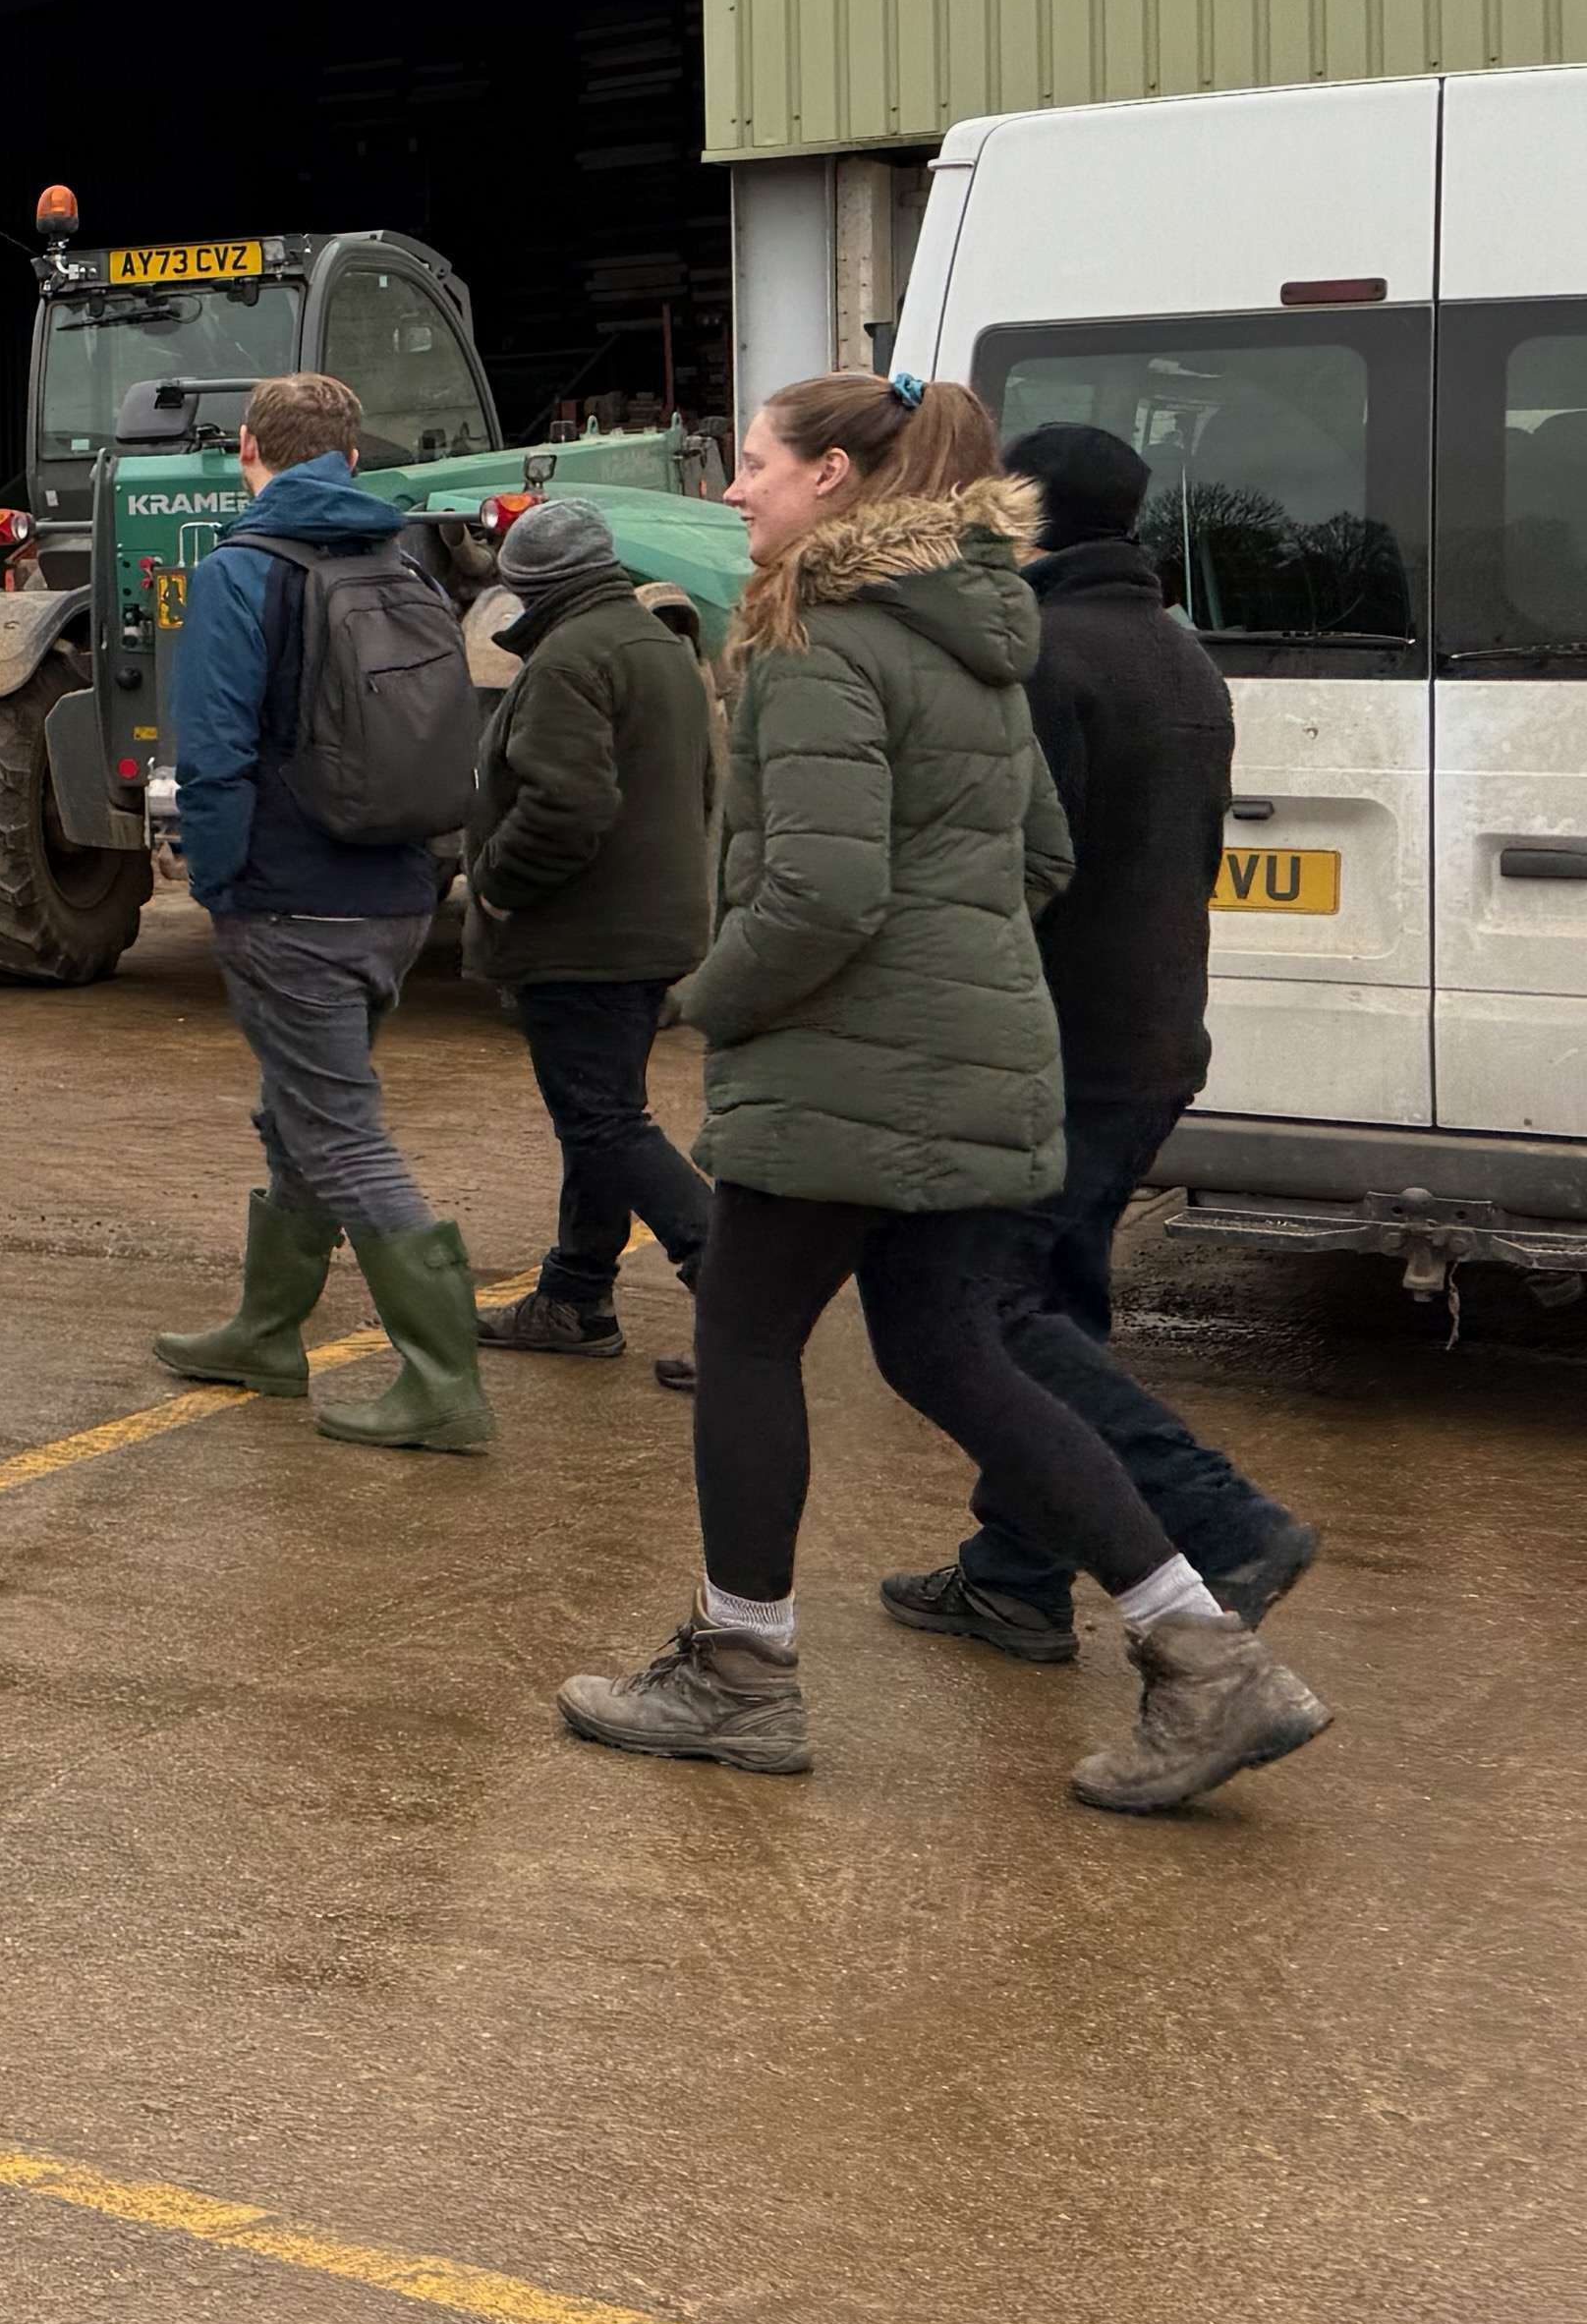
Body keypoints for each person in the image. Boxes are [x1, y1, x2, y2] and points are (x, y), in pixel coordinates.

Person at [559, 375, 1332, 1809]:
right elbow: (1037, 862)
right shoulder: (984, 636)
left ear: (835, 478)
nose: (736, 492)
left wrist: (701, 996)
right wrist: (942, 963)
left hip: (846, 1062)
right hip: (969, 1053)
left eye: (755, 462)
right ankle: (1204, 1653)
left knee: (742, 1335)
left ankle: (739, 1673)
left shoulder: (815, 642)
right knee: (947, 1348)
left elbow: (823, 893)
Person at [879, 420, 1318, 1657]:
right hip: (1156, 1035)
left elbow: (1023, 873)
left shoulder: (1042, 657)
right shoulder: (1180, 656)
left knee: (981, 1316)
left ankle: (1219, 1518)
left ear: (1024, 512)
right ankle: (1016, 1569)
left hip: (1059, 1046)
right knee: (1052, 1299)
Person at [145, 369, 493, 1455]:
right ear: (351, 458)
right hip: (394, 892)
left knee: (339, 1130)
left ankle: (442, 1380)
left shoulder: (242, 573)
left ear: (249, 450)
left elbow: (211, 751)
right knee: (300, 1108)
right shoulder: (408, 567)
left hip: (293, 901)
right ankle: (264, 1333)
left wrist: (216, 881)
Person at [466, 494, 718, 1361]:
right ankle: (575, 1300)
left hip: (585, 937)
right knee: (600, 1117)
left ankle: (737, 1288)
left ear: (524, 585)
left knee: (606, 1124)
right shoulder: (658, 643)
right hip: (648, 926)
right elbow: (701, 786)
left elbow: (567, 807)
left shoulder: (567, 660)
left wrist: (495, 883)